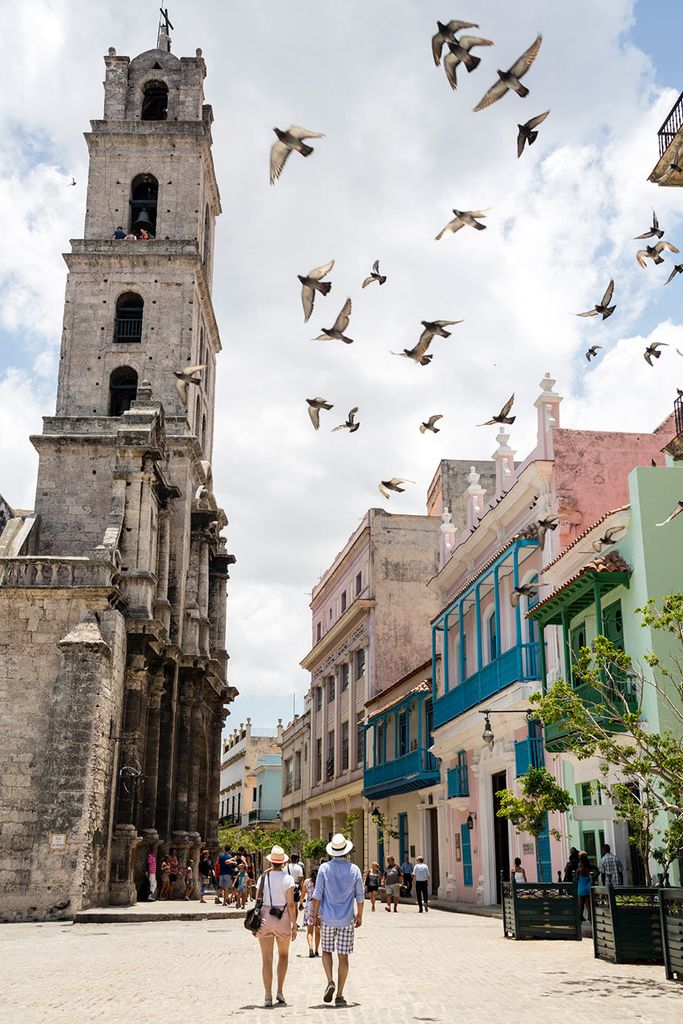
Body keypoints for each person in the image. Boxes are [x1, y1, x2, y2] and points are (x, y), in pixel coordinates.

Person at [312, 833, 364, 1008]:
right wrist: (360, 915)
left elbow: (317, 895)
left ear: (332, 851)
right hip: (347, 919)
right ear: (347, 851)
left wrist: (314, 915)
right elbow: (360, 896)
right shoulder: (354, 869)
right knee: (344, 957)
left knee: (326, 951)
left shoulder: (324, 868)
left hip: (327, 918)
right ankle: (340, 995)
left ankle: (330, 981)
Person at [253, 845, 298, 1008]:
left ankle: (267, 995)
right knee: (283, 955)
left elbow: (257, 900)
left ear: (271, 861)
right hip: (283, 917)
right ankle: (279, 991)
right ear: (284, 862)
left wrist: (254, 925)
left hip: (265, 917)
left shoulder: (262, 878)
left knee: (266, 959)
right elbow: (291, 905)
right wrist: (294, 925)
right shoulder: (288, 879)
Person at [303, 867, 320, 957]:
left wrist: (301, 902)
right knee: (317, 931)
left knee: (310, 931)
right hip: (319, 907)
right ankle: (317, 950)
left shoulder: (307, 882)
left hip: (309, 906)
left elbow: (302, 894)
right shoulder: (322, 882)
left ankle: (311, 948)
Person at [577, 851, 593, 922]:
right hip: (588, 886)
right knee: (588, 905)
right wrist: (594, 878)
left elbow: (576, 879)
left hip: (581, 887)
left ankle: (580, 917)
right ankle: (590, 917)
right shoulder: (589, 868)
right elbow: (597, 871)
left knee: (581, 905)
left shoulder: (579, 870)